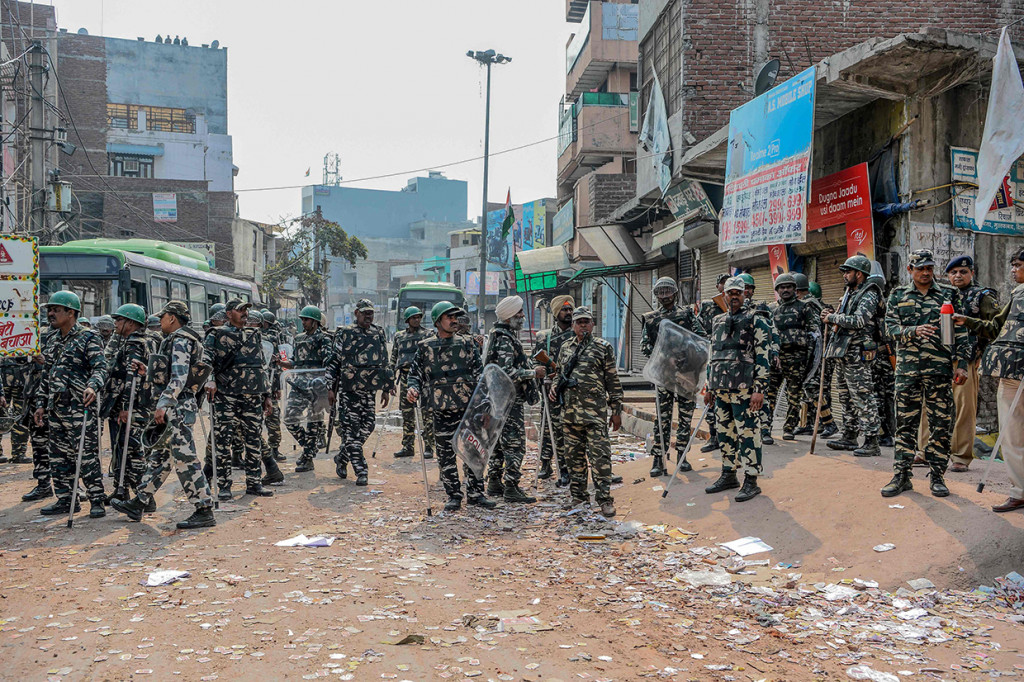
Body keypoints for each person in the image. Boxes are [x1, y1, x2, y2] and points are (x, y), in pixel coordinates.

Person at [111, 301, 216, 529]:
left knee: (185, 459)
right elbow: (172, 374)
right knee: (161, 457)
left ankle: (204, 508)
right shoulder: (179, 339)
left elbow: (178, 377)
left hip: (176, 406)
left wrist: (164, 404)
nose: (159, 321)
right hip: (178, 405)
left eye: (162, 317)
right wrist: (147, 373)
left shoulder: (180, 339)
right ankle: (139, 501)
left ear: (172, 318)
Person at [881, 249, 969, 497]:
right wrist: (914, 331)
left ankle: (938, 476)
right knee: (905, 425)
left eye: (929, 268)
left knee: (941, 424)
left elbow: (962, 333)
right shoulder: (898, 295)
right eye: (920, 268)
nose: (925, 273)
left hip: (939, 371)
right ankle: (901, 476)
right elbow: (889, 329)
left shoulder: (949, 294)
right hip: (907, 372)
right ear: (910, 270)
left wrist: (961, 363)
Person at [407, 301, 496, 511]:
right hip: (441, 410)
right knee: (446, 455)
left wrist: (485, 406)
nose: (455, 320)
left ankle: (476, 494)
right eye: (449, 317)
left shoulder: (467, 344)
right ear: (438, 322)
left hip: (468, 410)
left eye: (456, 317)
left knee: (473, 452)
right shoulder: (425, 347)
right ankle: (454, 495)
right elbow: (414, 375)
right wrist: (413, 389)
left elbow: (480, 376)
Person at [956, 246, 1024, 512]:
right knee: (1010, 433)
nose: (1013, 270)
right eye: (1012, 265)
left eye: (1018, 265)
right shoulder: (1017, 293)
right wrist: (967, 321)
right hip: (1008, 373)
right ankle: (1019, 490)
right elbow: (995, 326)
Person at [32, 291, 109, 518]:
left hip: (80, 407)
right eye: (49, 309)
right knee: (58, 457)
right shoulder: (52, 339)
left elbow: (100, 368)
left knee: (86, 456)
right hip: (56, 409)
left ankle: (96, 500)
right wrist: (40, 404)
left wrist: (93, 386)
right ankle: (66, 499)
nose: (51, 313)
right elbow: (47, 375)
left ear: (71, 313)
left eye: (56, 309)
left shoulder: (88, 338)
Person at [550, 306, 623, 518]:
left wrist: (616, 409)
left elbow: (612, 380)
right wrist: (555, 386)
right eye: (578, 322)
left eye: (586, 321)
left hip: (595, 414)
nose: (582, 325)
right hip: (570, 414)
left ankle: (604, 499)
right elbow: (560, 374)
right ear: (573, 325)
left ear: (592, 324)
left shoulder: (603, 347)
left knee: (600, 458)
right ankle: (579, 496)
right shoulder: (565, 347)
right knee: (574, 459)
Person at [703, 277, 771, 501]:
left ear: (745, 295)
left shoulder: (756, 320)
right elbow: (713, 355)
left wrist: (759, 389)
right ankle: (728, 473)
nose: (733, 296)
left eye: (738, 293)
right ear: (724, 295)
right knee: (725, 434)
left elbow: (764, 356)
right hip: (721, 389)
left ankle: (751, 480)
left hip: (746, 390)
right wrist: (709, 386)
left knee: (749, 434)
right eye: (730, 293)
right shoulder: (717, 320)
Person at [203, 299, 277, 499]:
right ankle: (224, 486)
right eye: (240, 310)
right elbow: (206, 360)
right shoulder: (216, 334)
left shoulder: (254, 335)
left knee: (253, 439)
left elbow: (261, 366)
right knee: (222, 441)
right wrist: (210, 380)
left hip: (252, 396)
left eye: (246, 310)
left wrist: (266, 395)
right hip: (226, 395)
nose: (245, 313)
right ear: (228, 314)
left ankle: (254, 483)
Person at [641, 276, 706, 476]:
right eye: (660, 293)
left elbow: (701, 338)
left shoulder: (687, 314)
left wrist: (686, 356)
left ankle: (682, 456)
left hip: (687, 374)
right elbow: (645, 346)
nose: (664, 296)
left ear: (675, 293)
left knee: (685, 417)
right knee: (662, 418)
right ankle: (658, 458)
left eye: (668, 291)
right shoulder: (651, 319)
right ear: (656, 296)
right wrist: (664, 356)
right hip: (664, 374)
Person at [326, 298, 392, 486]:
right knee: (352, 432)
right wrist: (330, 388)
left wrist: (387, 387)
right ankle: (361, 470)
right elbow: (334, 361)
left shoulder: (378, 332)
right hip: (349, 391)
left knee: (369, 426)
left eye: (371, 313)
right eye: (365, 313)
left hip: (370, 390)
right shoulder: (344, 334)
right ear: (357, 314)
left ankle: (343, 456)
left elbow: (384, 361)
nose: (368, 317)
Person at [822, 255, 883, 456]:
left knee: (862, 396)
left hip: (857, 353)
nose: (844, 275)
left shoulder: (869, 293)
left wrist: (832, 317)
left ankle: (872, 440)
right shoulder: (850, 293)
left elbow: (859, 321)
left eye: (848, 272)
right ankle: (849, 435)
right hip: (843, 352)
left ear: (859, 274)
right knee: (845, 396)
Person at [485, 295, 544, 504]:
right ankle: (511, 486)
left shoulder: (501, 335)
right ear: (509, 316)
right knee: (515, 445)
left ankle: (494, 482)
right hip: (507, 401)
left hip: (499, 400)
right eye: (519, 313)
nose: (522, 316)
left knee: (499, 443)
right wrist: (532, 373)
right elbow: (505, 371)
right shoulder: (505, 338)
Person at [945, 255, 1000, 472]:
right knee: (928, 406)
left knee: (964, 409)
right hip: (939, 358)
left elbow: (995, 326)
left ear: (972, 274)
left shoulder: (982, 296)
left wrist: (981, 355)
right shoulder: (943, 295)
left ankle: (960, 456)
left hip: (966, 359)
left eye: (963, 272)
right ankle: (924, 452)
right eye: (954, 272)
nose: (958, 276)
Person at [106, 304, 160, 504]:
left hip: (132, 406)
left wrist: (126, 408)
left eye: (119, 320)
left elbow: (132, 378)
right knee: (122, 448)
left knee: (132, 452)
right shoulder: (137, 341)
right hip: (136, 405)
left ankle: (144, 499)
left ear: (130, 323)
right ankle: (122, 490)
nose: (116, 324)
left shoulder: (134, 343)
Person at [765, 273, 819, 440]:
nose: (786, 289)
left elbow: (814, 333)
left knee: (793, 395)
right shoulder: (771, 309)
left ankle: (789, 428)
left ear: (795, 289)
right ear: (777, 290)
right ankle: (765, 429)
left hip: (796, 359)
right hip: (775, 358)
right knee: (769, 394)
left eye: (789, 287)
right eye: (782, 287)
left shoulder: (804, 308)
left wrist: (809, 359)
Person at [533, 295, 575, 485]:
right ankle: (546, 464)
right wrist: (542, 376)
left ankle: (568, 466)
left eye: (570, 309)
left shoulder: (578, 333)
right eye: (564, 310)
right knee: (547, 428)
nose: (568, 313)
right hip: (550, 389)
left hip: (572, 389)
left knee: (569, 429)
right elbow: (535, 361)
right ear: (556, 312)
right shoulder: (545, 337)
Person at [286, 306, 333, 472]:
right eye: (302, 319)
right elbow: (295, 361)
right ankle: (309, 449)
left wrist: (328, 387)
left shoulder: (324, 339)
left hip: (316, 387)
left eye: (306, 319)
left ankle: (307, 459)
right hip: (298, 385)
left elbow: (329, 363)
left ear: (315, 321)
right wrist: (285, 364)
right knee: (290, 419)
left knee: (314, 424)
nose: (303, 322)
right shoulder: (298, 338)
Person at [793, 276, 838, 438]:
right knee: (809, 389)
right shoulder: (812, 304)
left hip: (817, 355)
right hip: (815, 354)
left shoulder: (809, 305)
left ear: (796, 290)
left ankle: (829, 423)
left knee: (813, 387)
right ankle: (808, 424)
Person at [738, 273, 780, 445]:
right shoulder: (731, 308)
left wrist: (775, 351)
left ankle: (765, 430)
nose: (746, 291)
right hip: (739, 361)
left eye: (749, 288)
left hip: (759, 358)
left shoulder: (762, 307)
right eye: (743, 288)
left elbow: (773, 330)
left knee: (763, 394)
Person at [390, 306, 434, 459]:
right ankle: (408, 446)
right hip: (405, 378)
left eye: (418, 317)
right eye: (413, 317)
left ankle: (429, 446)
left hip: (424, 378)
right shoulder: (399, 336)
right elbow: (394, 358)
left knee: (427, 414)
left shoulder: (428, 335)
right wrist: (391, 381)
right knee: (407, 413)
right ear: (407, 320)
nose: (417, 320)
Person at [698, 275, 730, 452]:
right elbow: (699, 329)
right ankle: (714, 437)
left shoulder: (744, 307)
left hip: (734, 362)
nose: (725, 287)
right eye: (723, 283)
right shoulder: (708, 307)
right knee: (710, 399)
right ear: (717, 286)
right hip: (714, 358)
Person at [260, 310, 286, 464]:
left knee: (273, 418)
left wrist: (276, 387)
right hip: (258, 386)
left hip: (268, 383)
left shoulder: (271, 338)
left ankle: (273, 449)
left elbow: (277, 364)